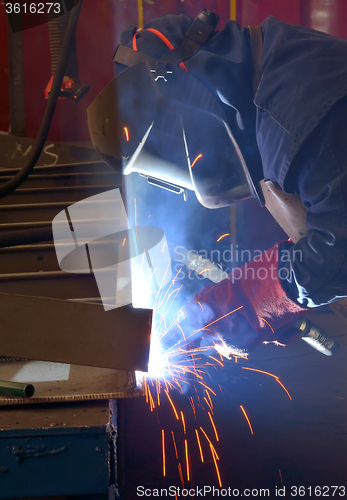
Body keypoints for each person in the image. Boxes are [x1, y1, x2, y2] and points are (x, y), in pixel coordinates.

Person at [87, 10, 347, 355]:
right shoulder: (267, 81)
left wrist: (246, 302)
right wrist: (279, 298)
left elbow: (336, 252)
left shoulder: (294, 114)